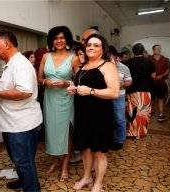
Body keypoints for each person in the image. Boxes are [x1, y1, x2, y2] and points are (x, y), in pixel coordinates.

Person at [0, 29, 42, 192]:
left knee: (24, 161)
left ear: (6, 43)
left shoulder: (20, 64)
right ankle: (24, 181)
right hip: (13, 123)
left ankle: (32, 189)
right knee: (20, 160)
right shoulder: (12, 64)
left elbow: (25, 91)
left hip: (20, 125)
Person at [67, 34, 119, 191]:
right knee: (86, 148)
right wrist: (74, 90)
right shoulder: (83, 66)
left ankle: (98, 183)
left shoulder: (108, 66)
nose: (91, 47)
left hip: (100, 115)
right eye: (89, 44)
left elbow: (114, 92)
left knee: (99, 151)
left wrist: (91, 91)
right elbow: (81, 88)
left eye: (96, 45)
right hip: (83, 114)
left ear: (103, 49)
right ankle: (87, 177)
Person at [37, 26, 80, 181]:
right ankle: (55, 160)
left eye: (62, 37)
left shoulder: (74, 58)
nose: (59, 41)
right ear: (52, 41)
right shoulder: (45, 57)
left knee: (65, 134)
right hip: (49, 99)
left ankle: (65, 166)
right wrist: (45, 81)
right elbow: (39, 78)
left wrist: (65, 83)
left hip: (66, 100)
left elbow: (78, 81)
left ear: (67, 40)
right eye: (56, 38)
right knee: (51, 131)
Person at [69, 28, 100, 164]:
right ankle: (86, 160)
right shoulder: (82, 58)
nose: (82, 42)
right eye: (83, 40)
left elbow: (112, 90)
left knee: (95, 138)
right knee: (85, 136)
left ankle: (95, 163)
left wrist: (91, 91)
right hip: (82, 103)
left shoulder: (104, 61)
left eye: (85, 39)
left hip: (97, 105)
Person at [126, 43, 156, 138]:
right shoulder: (150, 62)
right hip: (146, 90)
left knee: (133, 111)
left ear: (133, 52)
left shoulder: (128, 62)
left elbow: (126, 77)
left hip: (133, 90)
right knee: (144, 111)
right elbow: (153, 76)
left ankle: (133, 132)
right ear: (143, 52)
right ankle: (142, 132)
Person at [109, 45, 132, 150]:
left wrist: (120, 85)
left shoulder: (124, 67)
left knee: (119, 118)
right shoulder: (103, 66)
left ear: (115, 56)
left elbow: (129, 81)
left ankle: (119, 140)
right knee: (107, 118)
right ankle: (108, 139)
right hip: (105, 96)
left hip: (119, 96)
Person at [149, 44, 170, 122]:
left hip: (161, 83)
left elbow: (168, 70)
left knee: (161, 98)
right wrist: (151, 75)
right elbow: (147, 68)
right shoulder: (149, 58)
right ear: (153, 50)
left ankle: (161, 115)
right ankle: (150, 112)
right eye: (157, 49)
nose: (159, 50)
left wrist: (161, 76)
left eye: (160, 49)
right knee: (152, 99)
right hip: (151, 83)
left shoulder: (165, 59)